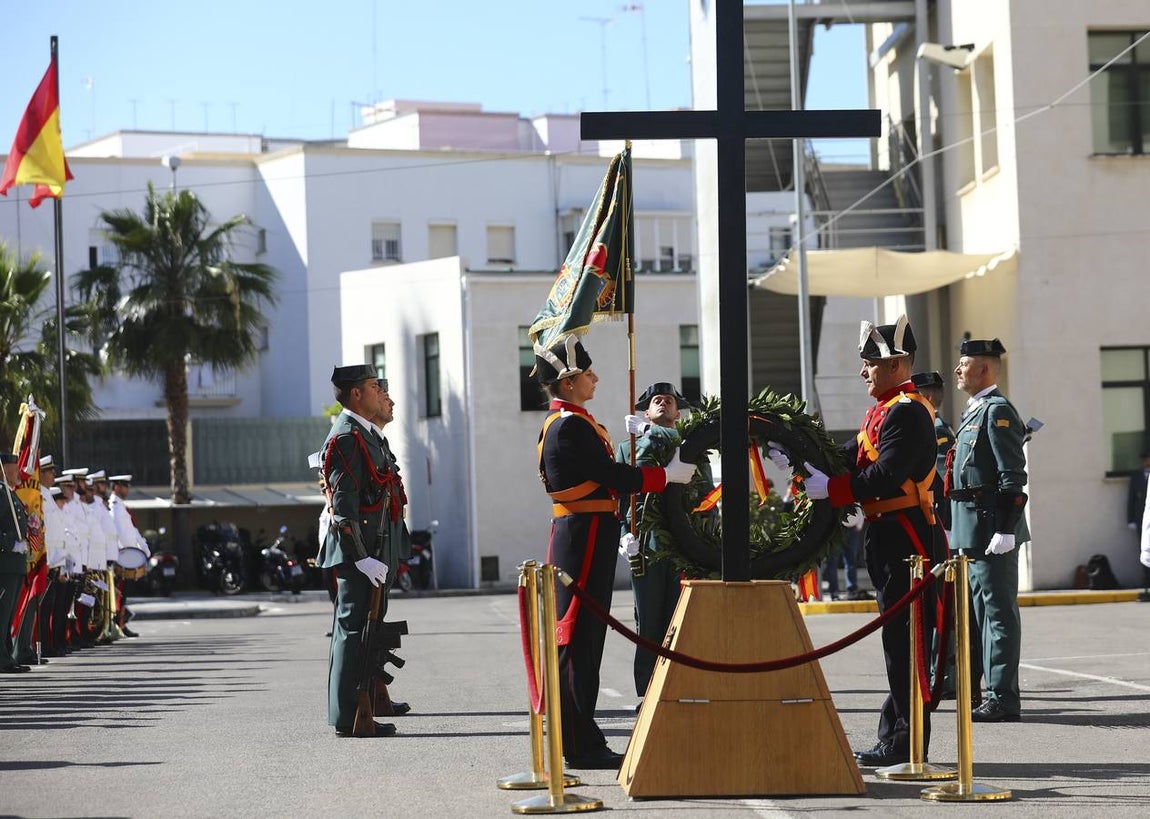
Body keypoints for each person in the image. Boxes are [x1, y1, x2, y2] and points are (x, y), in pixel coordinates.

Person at [771, 315, 941, 766]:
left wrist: (834, 490)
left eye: (869, 362)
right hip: (889, 533)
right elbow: (847, 456)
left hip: (908, 538)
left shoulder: (906, 410)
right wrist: (797, 454)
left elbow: (885, 475)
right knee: (897, 641)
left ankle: (905, 742)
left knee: (906, 642)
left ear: (895, 364)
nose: (863, 371)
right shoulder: (885, 409)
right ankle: (897, 734)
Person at [535, 337, 695, 770]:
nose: (595, 378)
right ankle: (579, 741)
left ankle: (582, 734)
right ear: (567, 382)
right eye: (587, 373)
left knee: (588, 640)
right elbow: (609, 474)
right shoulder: (569, 425)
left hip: (589, 531)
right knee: (579, 638)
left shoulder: (577, 422)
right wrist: (662, 477)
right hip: (582, 534)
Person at [318, 365, 407, 737]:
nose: (380, 392)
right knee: (352, 632)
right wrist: (360, 556)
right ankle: (348, 715)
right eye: (374, 387)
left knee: (366, 632)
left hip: (374, 552)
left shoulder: (366, 436)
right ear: (356, 394)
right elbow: (343, 508)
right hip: (360, 555)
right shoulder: (348, 438)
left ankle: (365, 705)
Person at [948, 338, 1030, 723]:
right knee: (978, 615)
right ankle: (984, 691)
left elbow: (1012, 476)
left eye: (964, 364)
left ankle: (1003, 698)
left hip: (992, 531)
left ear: (985, 369)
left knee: (998, 614)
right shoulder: (974, 411)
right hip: (971, 530)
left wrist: (1007, 529)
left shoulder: (998, 412)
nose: (958, 370)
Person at [615, 381, 706, 704]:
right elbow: (621, 498)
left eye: (669, 401)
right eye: (657, 401)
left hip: (685, 542)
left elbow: (705, 490)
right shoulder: (627, 447)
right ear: (646, 411)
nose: (663, 404)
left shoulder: (690, 443)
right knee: (649, 619)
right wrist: (624, 535)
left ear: (678, 413)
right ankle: (648, 691)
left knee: (681, 618)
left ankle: (681, 685)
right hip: (647, 544)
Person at [108, 475, 149, 638]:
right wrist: (130, 552)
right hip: (122, 556)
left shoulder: (121, 506)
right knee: (120, 592)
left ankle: (121, 623)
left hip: (128, 555)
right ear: (116, 487)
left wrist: (143, 548)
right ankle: (118, 623)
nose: (127, 489)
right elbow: (120, 533)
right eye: (124, 486)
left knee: (124, 593)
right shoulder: (114, 506)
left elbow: (133, 531)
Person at [0, 453, 30, 673]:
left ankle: (8, 656)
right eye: (14, 467)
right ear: (4, 469)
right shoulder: (1, 494)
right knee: (2, 613)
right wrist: (10, 544)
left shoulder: (11, 494)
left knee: (9, 614)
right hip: (5, 563)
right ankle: (2, 659)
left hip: (15, 565)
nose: (18, 471)